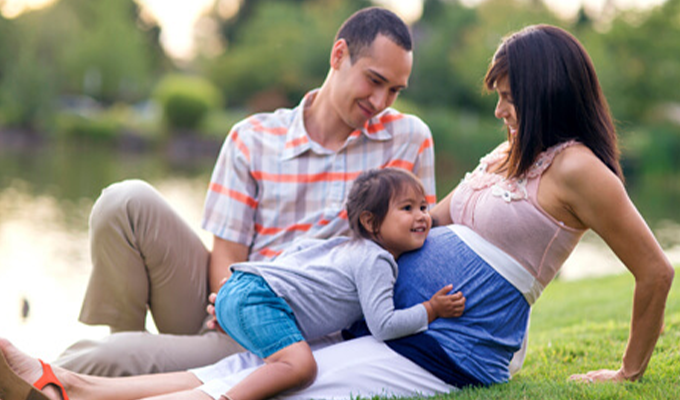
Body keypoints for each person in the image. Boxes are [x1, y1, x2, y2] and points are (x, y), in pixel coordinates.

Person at [0, 24, 674, 400]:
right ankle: (75, 384)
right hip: (318, 307)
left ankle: (67, 386)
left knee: (272, 383)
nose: (500, 111)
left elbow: (653, 270)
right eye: (373, 80)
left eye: (508, 96)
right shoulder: (505, 157)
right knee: (233, 369)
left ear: (542, 89)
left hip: (422, 342)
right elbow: (433, 219)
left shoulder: (577, 168)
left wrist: (629, 371)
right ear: (338, 58)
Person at [53, 6, 436, 377]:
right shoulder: (252, 138)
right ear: (339, 55)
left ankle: (108, 368)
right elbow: (227, 255)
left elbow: (420, 243)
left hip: (291, 326)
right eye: (374, 80)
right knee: (123, 202)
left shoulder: (408, 140)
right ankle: (125, 361)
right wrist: (234, 309)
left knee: (91, 359)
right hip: (234, 300)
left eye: (394, 90)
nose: (381, 101)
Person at [211, 168, 464, 400]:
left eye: (423, 207)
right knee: (300, 366)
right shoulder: (376, 258)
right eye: (407, 208)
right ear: (370, 222)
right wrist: (431, 310)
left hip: (243, 284)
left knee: (283, 361)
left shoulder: (340, 246)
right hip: (259, 297)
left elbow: (295, 253)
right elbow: (384, 325)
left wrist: (232, 305)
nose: (422, 217)